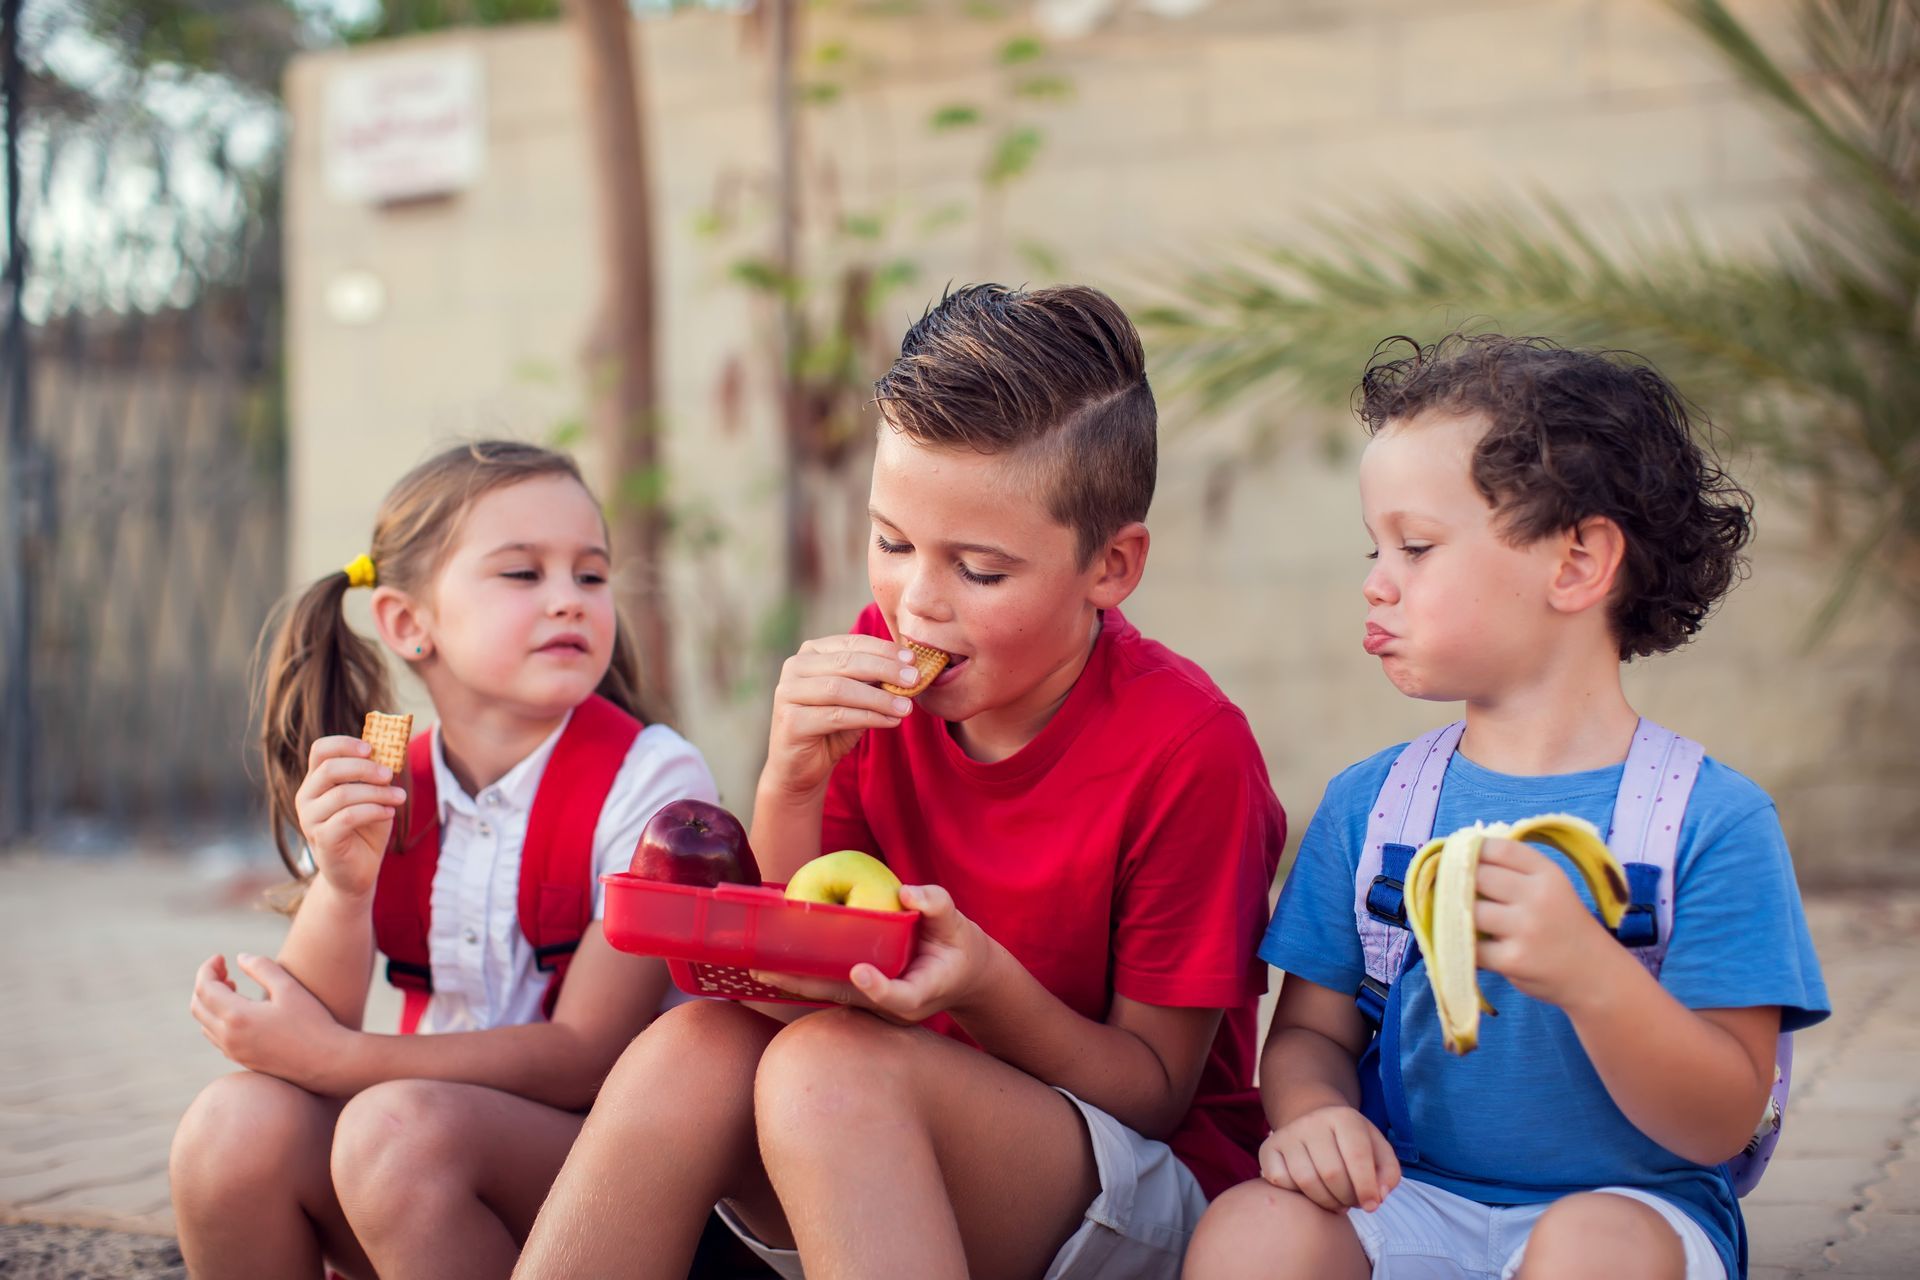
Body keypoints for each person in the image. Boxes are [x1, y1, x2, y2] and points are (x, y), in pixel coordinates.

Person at [516, 284, 1286, 1280]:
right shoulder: (881, 673)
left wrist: (985, 984)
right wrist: (788, 782)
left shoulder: (1188, 748)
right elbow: (798, 984)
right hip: (879, 1116)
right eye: (891, 542)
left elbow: (1155, 1089)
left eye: (979, 568)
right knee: (694, 1044)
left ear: (1111, 565)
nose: (917, 602)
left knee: (826, 1070)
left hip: (1140, 1182)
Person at [1183, 335, 1830, 1280]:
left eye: (1417, 547)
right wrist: (1315, 1115)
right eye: (1376, 548)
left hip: (1632, 1209)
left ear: (1576, 565)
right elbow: (1313, 1035)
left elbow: (1725, 1114)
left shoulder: (1709, 822)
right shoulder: (1376, 807)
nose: (1375, 580)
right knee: (1252, 1230)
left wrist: (1589, 976)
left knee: (1588, 1251)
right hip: (1409, 1192)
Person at [169, 440, 718, 1280]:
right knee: (230, 1127)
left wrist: (339, 1063)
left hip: (615, 1176)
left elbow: (586, 1055)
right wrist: (345, 886)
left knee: (391, 1130)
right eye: (523, 574)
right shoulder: (389, 781)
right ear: (406, 624)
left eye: (591, 575)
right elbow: (320, 1020)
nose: (569, 600)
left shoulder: (653, 780)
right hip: (415, 1158)